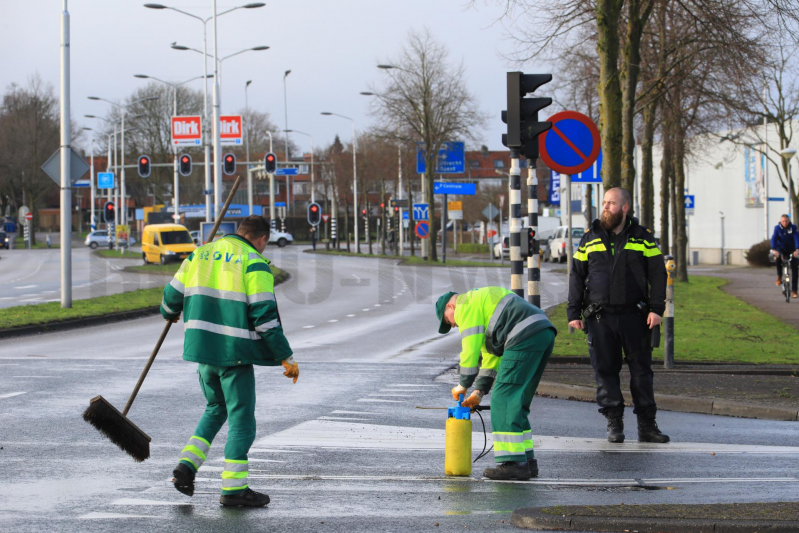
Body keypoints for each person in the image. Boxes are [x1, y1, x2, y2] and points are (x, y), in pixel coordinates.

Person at [160, 215, 298, 508]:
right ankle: (234, 490)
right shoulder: (253, 261)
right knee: (242, 421)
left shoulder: (201, 253)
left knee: (215, 408)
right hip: (233, 353)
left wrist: (169, 311)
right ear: (261, 239)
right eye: (265, 244)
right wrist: (285, 356)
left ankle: (186, 466)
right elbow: (264, 317)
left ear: (239, 231)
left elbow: (171, 296)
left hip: (202, 352)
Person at [567, 187, 669, 444]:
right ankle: (614, 422)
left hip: (636, 316)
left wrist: (657, 309)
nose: (605, 207)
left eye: (611, 203)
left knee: (642, 372)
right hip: (600, 317)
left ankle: (647, 425)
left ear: (625, 208)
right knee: (604, 370)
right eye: (604, 202)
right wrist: (573, 312)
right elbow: (577, 275)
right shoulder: (589, 237)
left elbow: (658, 274)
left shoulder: (642, 237)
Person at [436, 287, 557, 481]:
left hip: (523, 335)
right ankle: (526, 461)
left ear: (451, 305)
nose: (453, 324)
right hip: (542, 331)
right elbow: (490, 357)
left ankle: (513, 463)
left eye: (448, 320)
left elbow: (470, 351)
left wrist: (463, 385)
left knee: (504, 399)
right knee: (518, 401)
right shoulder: (481, 305)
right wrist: (478, 392)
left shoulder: (465, 306)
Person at [770, 214, 799, 298]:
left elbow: (797, 238)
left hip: (792, 250)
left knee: (795, 269)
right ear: (781, 221)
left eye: (786, 221)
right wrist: (774, 249)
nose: (785, 223)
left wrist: (797, 249)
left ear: (788, 221)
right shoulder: (777, 228)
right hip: (781, 249)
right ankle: (779, 276)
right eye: (783, 221)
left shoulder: (793, 228)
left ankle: (794, 291)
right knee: (778, 258)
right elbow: (774, 239)